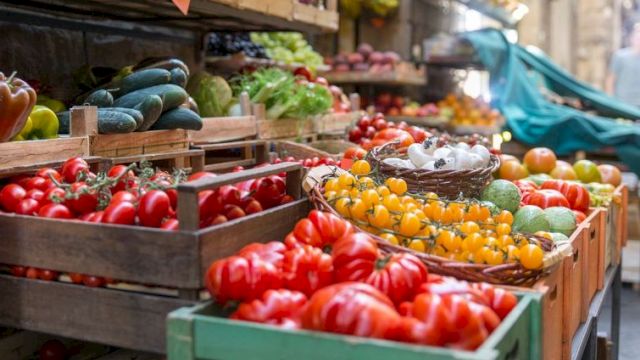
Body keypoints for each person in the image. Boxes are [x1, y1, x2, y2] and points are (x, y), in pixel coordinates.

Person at [606, 24, 640, 106]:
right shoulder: (620, 56)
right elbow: (611, 79)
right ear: (632, 37)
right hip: (622, 104)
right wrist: (610, 100)